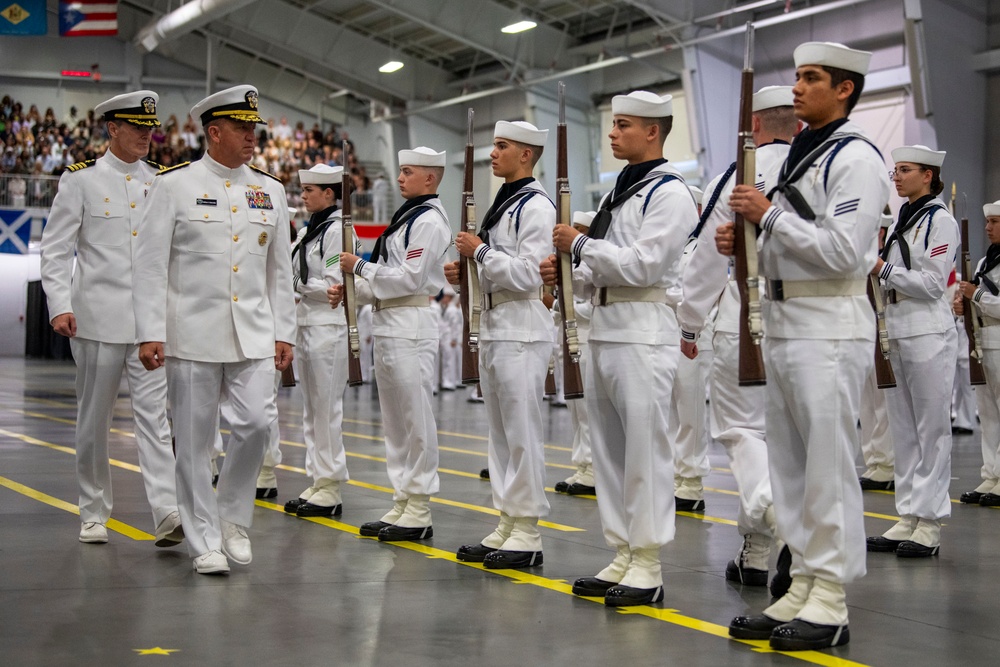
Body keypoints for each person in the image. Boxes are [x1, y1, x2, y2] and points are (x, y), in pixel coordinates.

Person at [722, 42, 890, 650]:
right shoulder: (804, 153)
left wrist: (767, 219)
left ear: (844, 89)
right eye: (794, 76)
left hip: (830, 317)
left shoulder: (857, 158)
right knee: (790, 465)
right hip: (788, 316)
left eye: (811, 78)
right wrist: (745, 241)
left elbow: (845, 251)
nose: (796, 87)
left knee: (826, 463)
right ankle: (805, 582)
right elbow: (792, 236)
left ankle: (833, 597)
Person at [132, 85, 296, 575]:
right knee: (195, 440)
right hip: (191, 334)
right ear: (215, 132)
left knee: (257, 425)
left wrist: (284, 331)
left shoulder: (272, 190)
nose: (252, 137)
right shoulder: (173, 184)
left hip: (253, 334)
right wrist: (149, 331)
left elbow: (279, 273)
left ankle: (232, 518)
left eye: (254, 130)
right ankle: (202, 538)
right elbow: (148, 266)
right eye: (243, 129)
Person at [543, 90, 699, 605]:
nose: (612, 134)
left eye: (623, 126)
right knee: (608, 450)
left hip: (644, 327)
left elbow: (644, 265)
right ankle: (622, 551)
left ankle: (648, 563)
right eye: (612, 125)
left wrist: (580, 246)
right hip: (606, 324)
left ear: (653, 132)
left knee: (645, 449)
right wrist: (570, 273)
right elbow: (602, 270)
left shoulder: (670, 191)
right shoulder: (620, 192)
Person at [39, 90, 182, 548]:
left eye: (150, 130)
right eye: (137, 129)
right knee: (93, 420)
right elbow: (57, 248)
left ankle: (167, 512)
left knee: (156, 421)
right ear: (112, 129)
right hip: (96, 320)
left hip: (148, 325)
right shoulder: (80, 180)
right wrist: (59, 302)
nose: (146, 137)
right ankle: (93, 510)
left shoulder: (161, 181)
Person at [677, 85, 797, 590]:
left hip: (744, 318)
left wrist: (688, 319)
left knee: (743, 432)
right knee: (790, 439)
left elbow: (709, 255)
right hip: (812, 321)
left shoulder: (741, 175)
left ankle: (785, 528)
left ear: (754, 123)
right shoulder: (820, 166)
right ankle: (756, 552)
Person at [446, 120, 555, 569]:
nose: (493, 154)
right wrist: (466, 275)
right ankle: (507, 520)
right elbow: (494, 265)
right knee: (500, 433)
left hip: (522, 325)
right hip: (494, 322)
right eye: (493, 145)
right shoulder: (504, 202)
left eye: (502, 146)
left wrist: (480, 254)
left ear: (526, 155)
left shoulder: (537, 206)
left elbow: (531, 273)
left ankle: (527, 529)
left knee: (521, 430)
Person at [329, 147, 451, 542]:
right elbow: (386, 281)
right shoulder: (405, 219)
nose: (400, 178)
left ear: (430, 179)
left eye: (408, 172)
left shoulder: (429, 221)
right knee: (395, 422)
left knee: (415, 418)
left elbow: (409, 279)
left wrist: (359, 267)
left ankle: (419, 505)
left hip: (411, 322)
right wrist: (351, 291)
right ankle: (403, 498)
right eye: (399, 171)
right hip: (389, 321)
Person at [866, 145, 958, 559]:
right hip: (896, 328)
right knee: (902, 429)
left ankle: (930, 523)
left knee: (931, 429)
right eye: (895, 170)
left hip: (927, 330)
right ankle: (908, 514)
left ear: (928, 175)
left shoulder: (940, 221)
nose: (897, 177)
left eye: (904, 170)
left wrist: (882, 269)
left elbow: (934, 283)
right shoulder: (904, 219)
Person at [282, 163, 355, 518]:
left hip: (328, 326)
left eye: (310, 190)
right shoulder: (309, 231)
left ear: (329, 193)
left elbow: (330, 286)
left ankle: (331, 485)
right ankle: (318, 478)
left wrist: (293, 286)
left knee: (326, 409)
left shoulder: (338, 230)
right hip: (307, 323)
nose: (304, 195)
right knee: (311, 410)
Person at [957, 201, 1000, 506]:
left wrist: (978, 295)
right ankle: (992, 475)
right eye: (988, 222)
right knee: (987, 414)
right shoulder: (986, 261)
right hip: (982, 340)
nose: (988, 227)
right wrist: (964, 304)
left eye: (995, 222)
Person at [554, 210, 597, 496]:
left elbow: (593, 306)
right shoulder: (574, 263)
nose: (575, 232)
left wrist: (558, 306)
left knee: (586, 409)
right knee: (574, 408)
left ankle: (593, 468)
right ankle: (582, 465)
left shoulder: (594, 262)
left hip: (584, 336)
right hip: (567, 335)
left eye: (580, 229)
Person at [859, 208, 897, 491]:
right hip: (862, 332)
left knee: (883, 402)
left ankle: (887, 464)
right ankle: (874, 461)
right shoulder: (859, 258)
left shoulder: (890, 258)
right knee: (866, 402)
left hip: (886, 332)